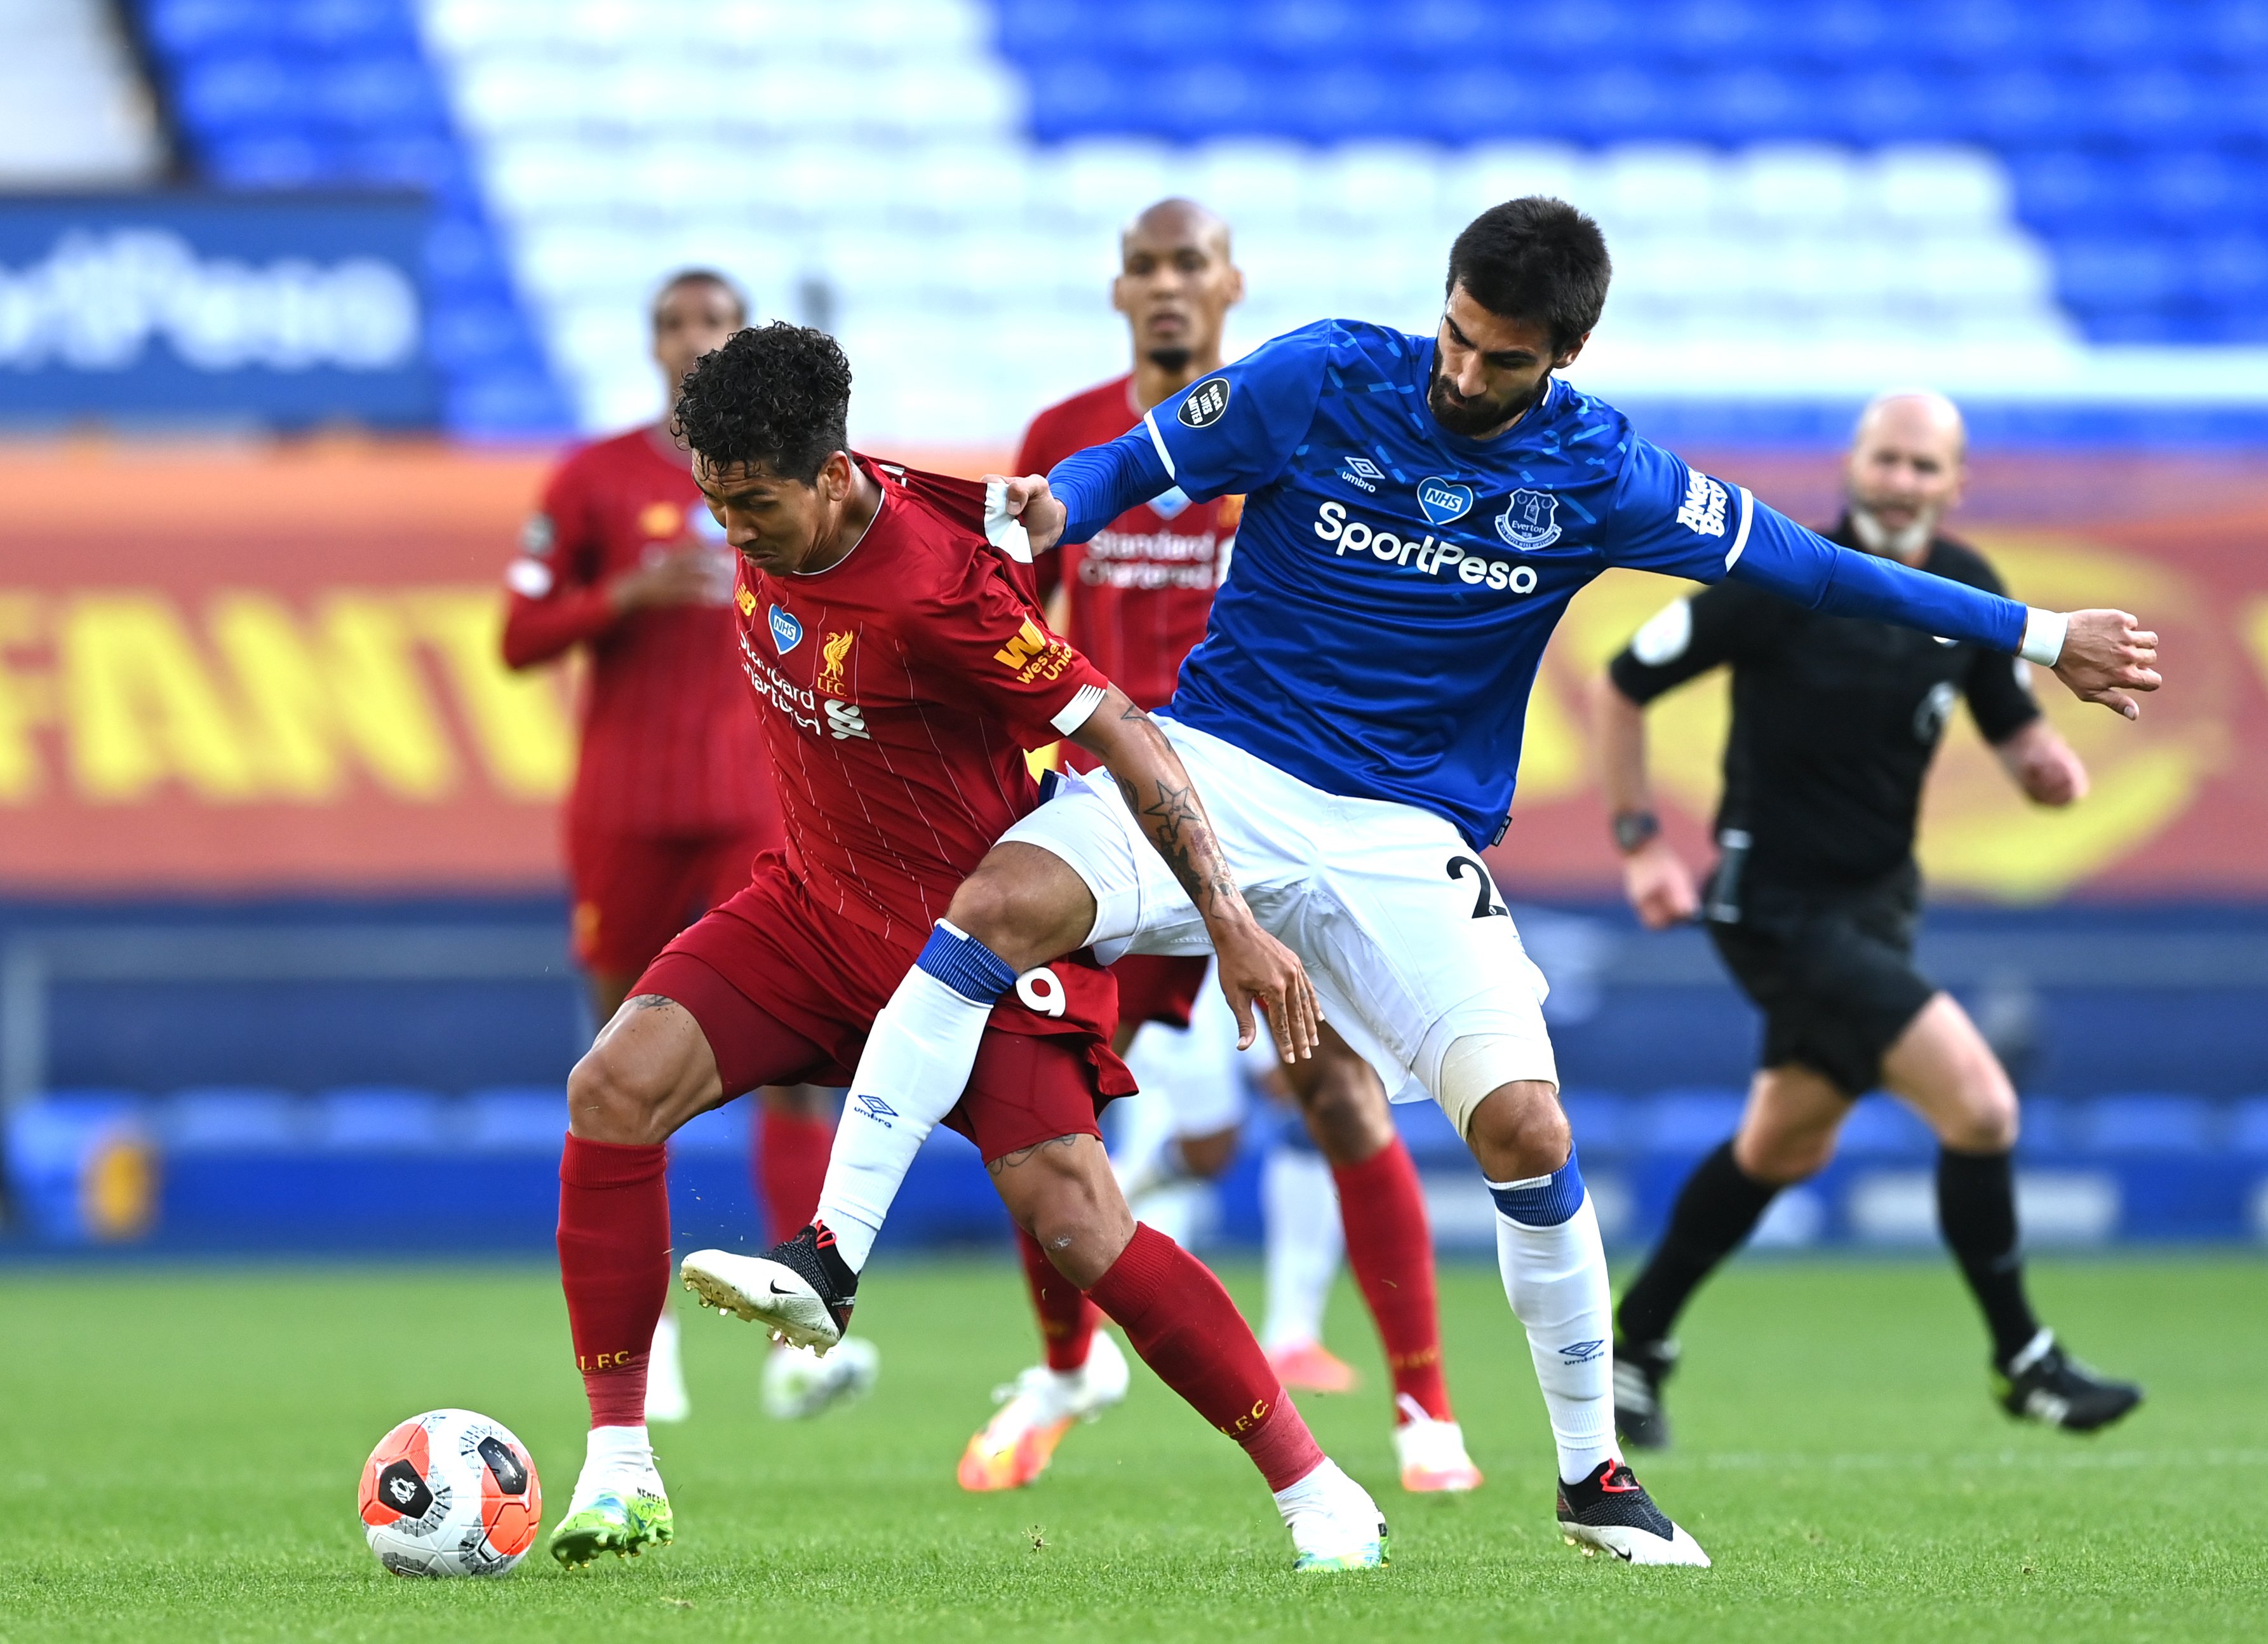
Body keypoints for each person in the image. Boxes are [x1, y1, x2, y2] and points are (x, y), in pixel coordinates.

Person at [727, 198, 2161, 1568]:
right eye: (1459, 334)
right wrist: (1061, 510)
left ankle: (1595, 1477)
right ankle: (831, 1254)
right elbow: (1145, 457)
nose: (1468, 370)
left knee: (1528, 1131)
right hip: (1220, 761)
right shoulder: (1331, 375)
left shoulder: (1602, 473)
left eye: (1505, 356)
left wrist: (2035, 633)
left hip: (1407, 840)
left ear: (1567, 359)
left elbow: (1814, 569)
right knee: (991, 903)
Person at [547, 322, 1388, 1575]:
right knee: (611, 1088)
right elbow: (996, 502)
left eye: (754, 505)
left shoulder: (936, 593)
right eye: (716, 504)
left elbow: (1123, 732)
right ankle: (619, 1470)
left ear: (827, 475)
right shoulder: (818, 484)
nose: (736, 533)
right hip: (808, 916)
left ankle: (1317, 1489)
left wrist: (1228, 921)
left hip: (970, 955)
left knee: (1077, 1225)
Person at [958, 198, 1479, 1499]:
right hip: (1112, 834)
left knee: (1341, 1095)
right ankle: (1068, 1366)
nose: (1169, 285)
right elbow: (1013, 625)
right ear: (1118, 289)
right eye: (1146, 265)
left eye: (1191, 262)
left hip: (1271, 812)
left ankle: (1425, 1411)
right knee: (1037, 1110)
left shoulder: (1296, 424)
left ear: (1232, 283)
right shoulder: (1066, 445)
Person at [1594, 390, 2144, 1447]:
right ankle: (2024, 1359)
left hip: (1879, 906)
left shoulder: (1972, 588)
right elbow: (1623, 685)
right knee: (1980, 1106)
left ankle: (1638, 1347)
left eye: (1923, 467)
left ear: (1956, 484)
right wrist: (1639, 841)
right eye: (1886, 460)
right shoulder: (1782, 576)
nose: (1901, 482)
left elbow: (2009, 721)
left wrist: (2044, 766)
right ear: (1852, 466)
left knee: (1781, 1146)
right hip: (1775, 906)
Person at [499, 271, 867, 1426]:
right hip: (624, 806)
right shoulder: (595, 480)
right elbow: (517, 635)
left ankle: (799, 1329)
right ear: (651, 342)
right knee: (620, 1062)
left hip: (756, 808)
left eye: (714, 324)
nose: (691, 340)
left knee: (801, 1067)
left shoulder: (795, 489)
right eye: (673, 324)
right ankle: (646, 1341)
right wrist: (623, 595)